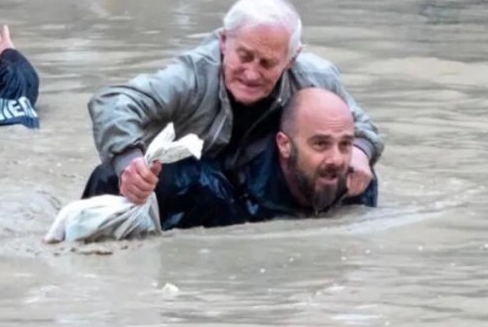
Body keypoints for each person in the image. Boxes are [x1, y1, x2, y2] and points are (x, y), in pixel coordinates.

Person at [85, 0, 383, 204]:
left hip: (257, 184)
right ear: (224, 42)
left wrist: (359, 152)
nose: (251, 74)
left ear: (291, 60)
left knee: (356, 177)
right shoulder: (192, 76)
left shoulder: (316, 77)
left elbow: (364, 129)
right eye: (244, 56)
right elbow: (113, 102)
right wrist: (129, 162)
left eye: (267, 63)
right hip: (195, 180)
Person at [96, 87, 378, 231]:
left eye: (345, 144)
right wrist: (131, 173)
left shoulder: (357, 182)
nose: (336, 159)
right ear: (285, 145)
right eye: (320, 144)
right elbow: (105, 180)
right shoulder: (205, 190)